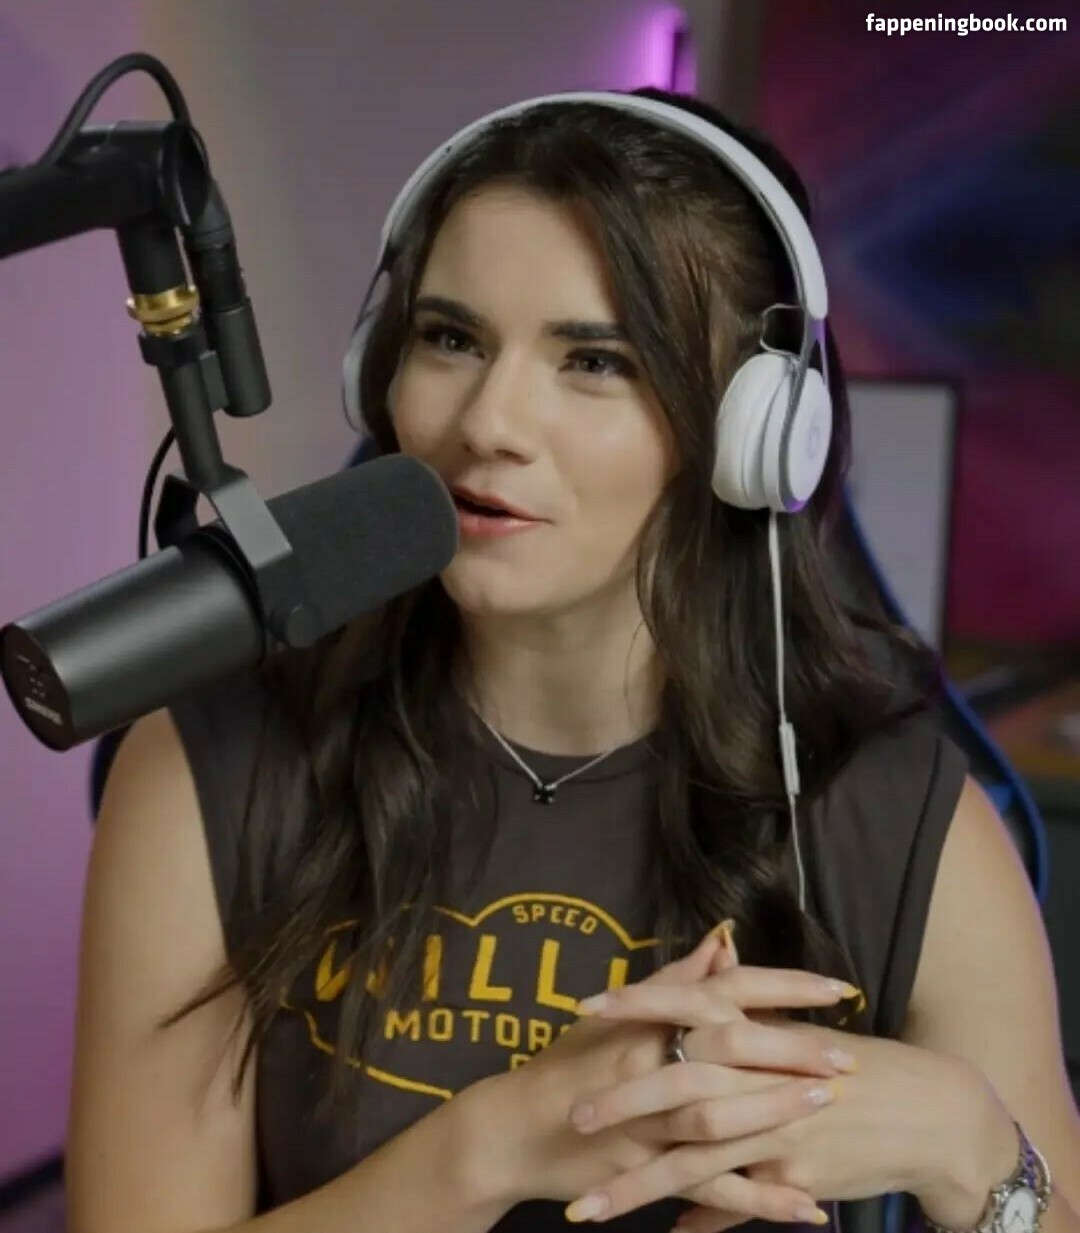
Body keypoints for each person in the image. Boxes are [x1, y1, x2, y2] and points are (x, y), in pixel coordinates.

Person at [64, 87, 1077, 1233]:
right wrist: (488, 1149)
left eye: (595, 360)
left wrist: (973, 1150)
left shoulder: (903, 816)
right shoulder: (212, 761)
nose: (488, 423)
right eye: (451, 339)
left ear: (752, 431)